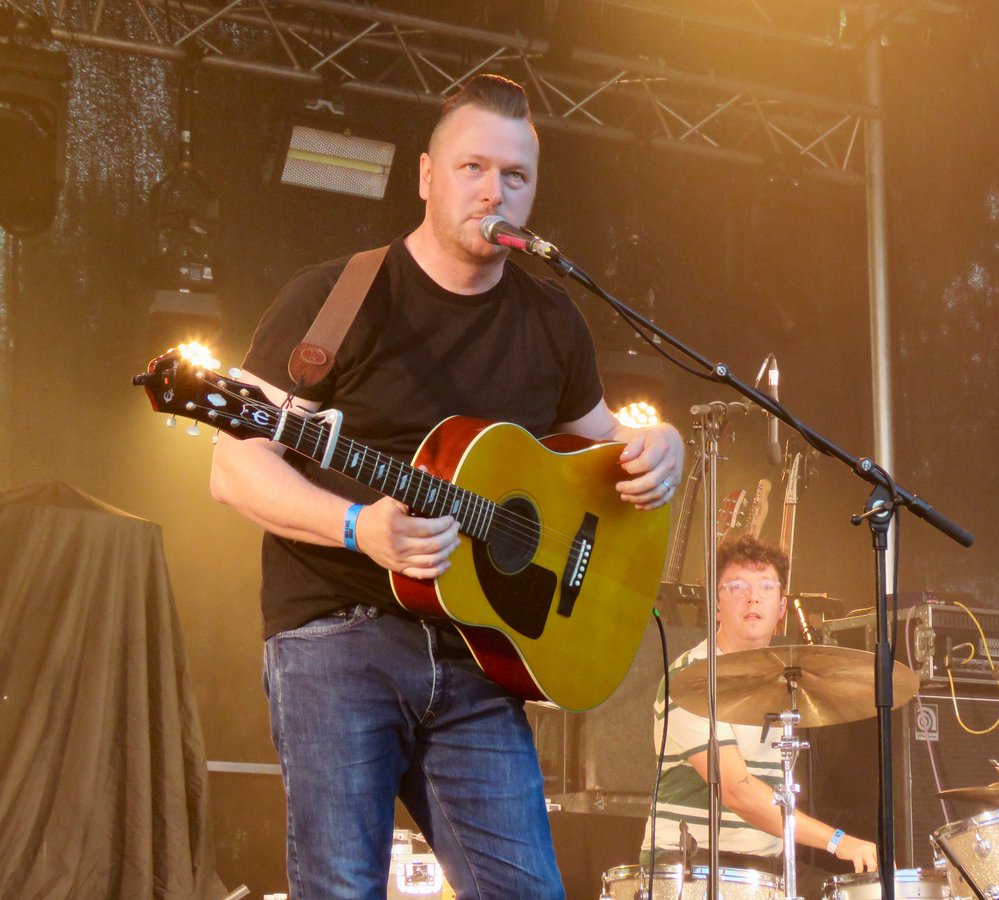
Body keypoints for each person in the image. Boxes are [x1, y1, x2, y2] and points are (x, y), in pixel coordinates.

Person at [210, 73, 684, 900]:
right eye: (472, 168)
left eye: (515, 176)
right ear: (426, 175)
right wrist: (362, 527)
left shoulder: (551, 321)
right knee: (341, 889)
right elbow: (234, 465)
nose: (493, 190)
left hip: (477, 652)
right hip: (336, 638)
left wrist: (663, 444)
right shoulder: (333, 297)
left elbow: (609, 452)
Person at [640, 535, 877, 893]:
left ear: (782, 608)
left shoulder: (789, 682)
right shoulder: (691, 677)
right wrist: (839, 841)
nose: (753, 597)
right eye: (738, 587)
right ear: (716, 605)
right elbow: (736, 791)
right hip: (690, 869)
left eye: (766, 587)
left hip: (764, 872)